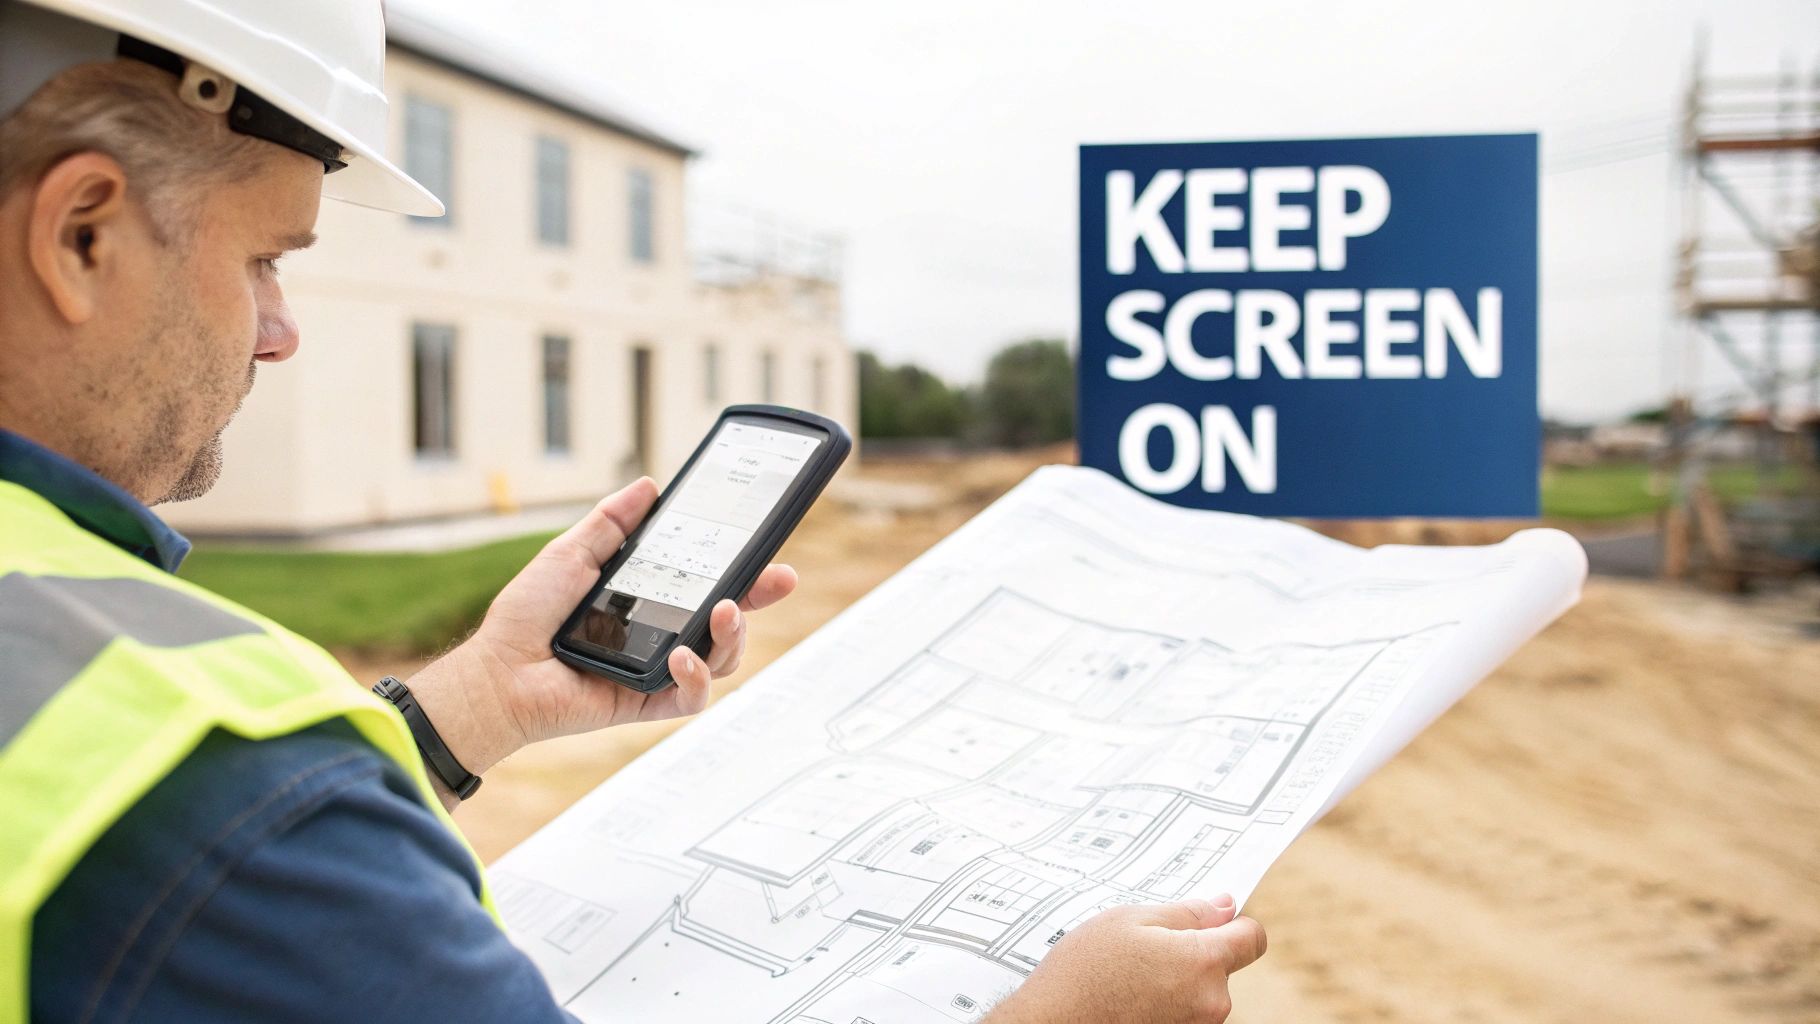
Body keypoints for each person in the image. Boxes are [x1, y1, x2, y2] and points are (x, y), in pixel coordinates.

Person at [0, 1, 1267, 1020]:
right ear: (84, 235)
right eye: (266, 257)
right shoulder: (214, 786)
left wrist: (481, 699)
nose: (280, 331)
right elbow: (225, 841)